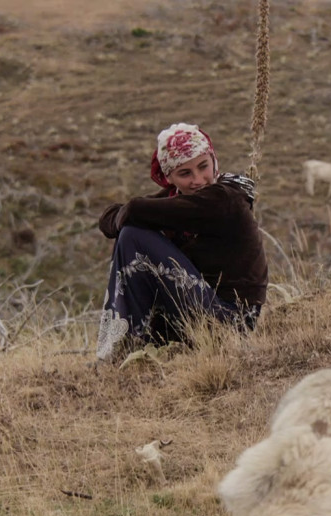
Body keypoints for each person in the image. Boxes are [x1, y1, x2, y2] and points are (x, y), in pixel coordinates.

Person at [95, 123, 268, 360]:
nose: (198, 180)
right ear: (169, 178)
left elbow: (134, 209)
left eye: (203, 166)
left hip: (231, 323)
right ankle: (126, 344)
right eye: (185, 174)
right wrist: (126, 216)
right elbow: (109, 218)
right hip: (197, 313)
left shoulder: (226, 198)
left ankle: (121, 346)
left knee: (133, 236)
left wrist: (129, 215)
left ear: (213, 160)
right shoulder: (178, 199)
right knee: (131, 232)